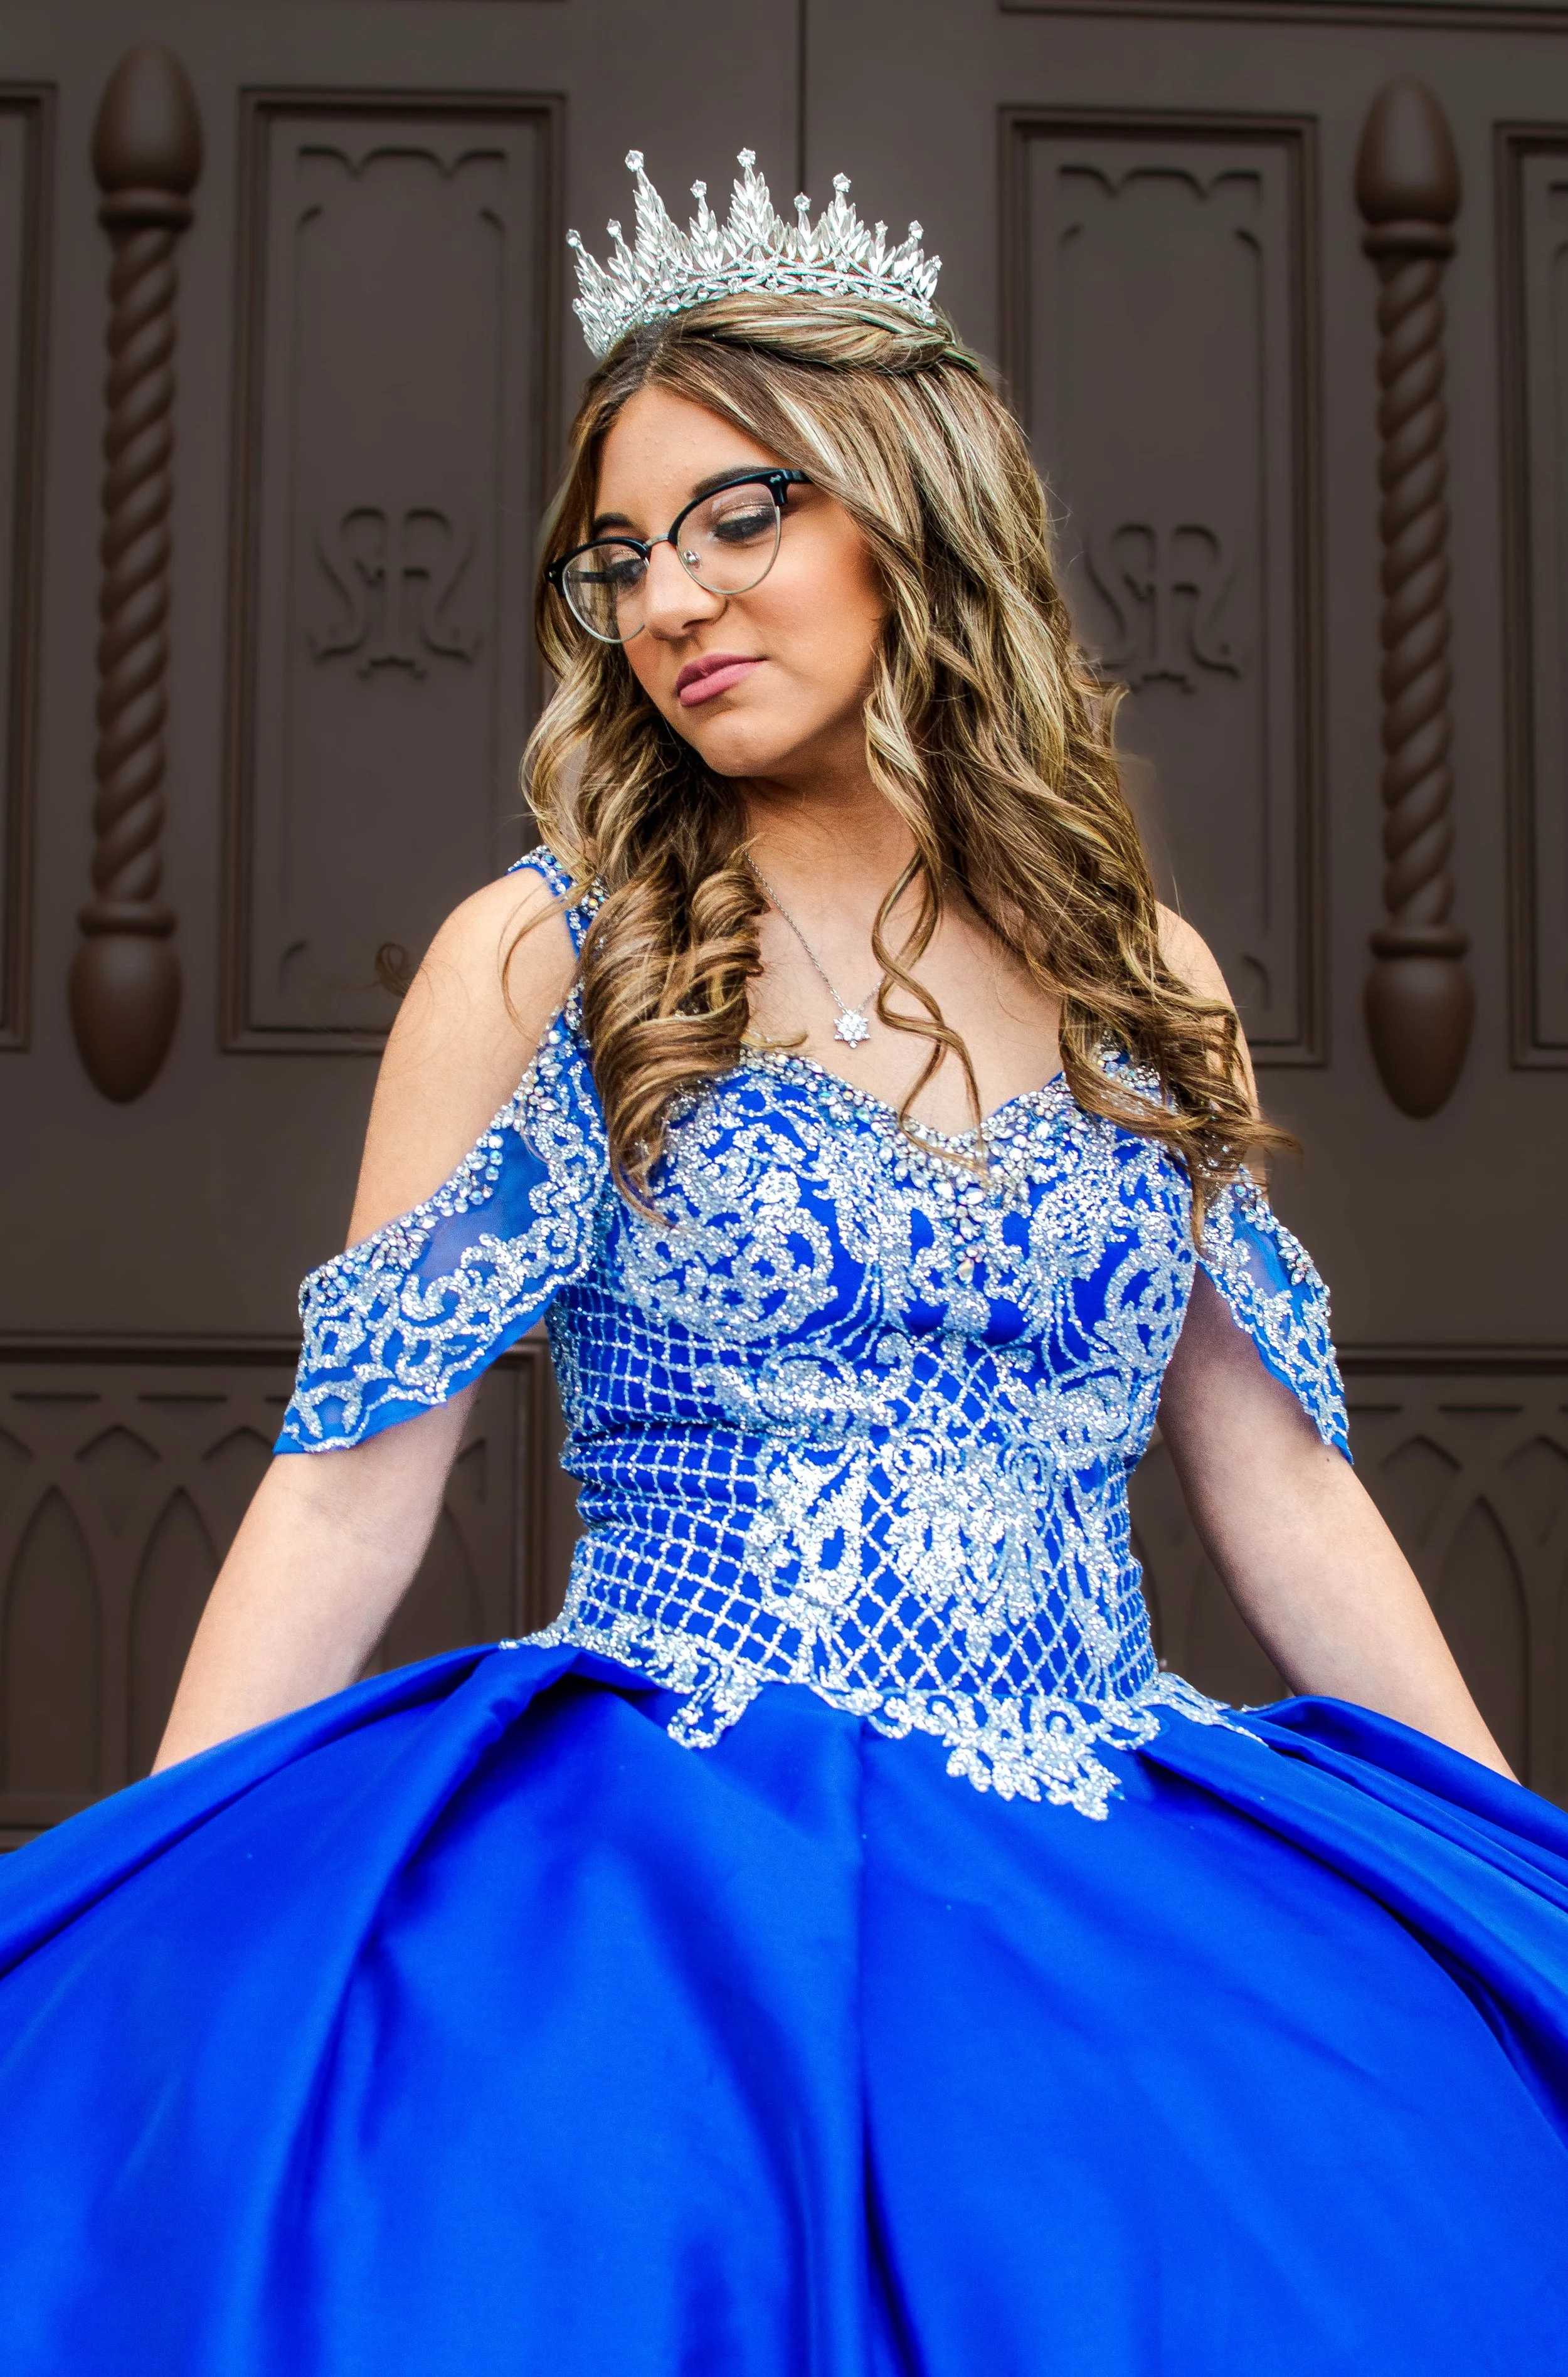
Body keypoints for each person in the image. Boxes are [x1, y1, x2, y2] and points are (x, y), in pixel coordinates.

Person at [1, 147, 1565, 2376]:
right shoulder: (548, 957)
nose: (671, 599)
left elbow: (1282, 1482)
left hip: (1100, 1834)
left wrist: (1508, 1881)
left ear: (904, 517)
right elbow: (353, 1481)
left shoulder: (1149, 982)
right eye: (623, 553)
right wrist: (168, 1909)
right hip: (677, 1850)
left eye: (741, 518)